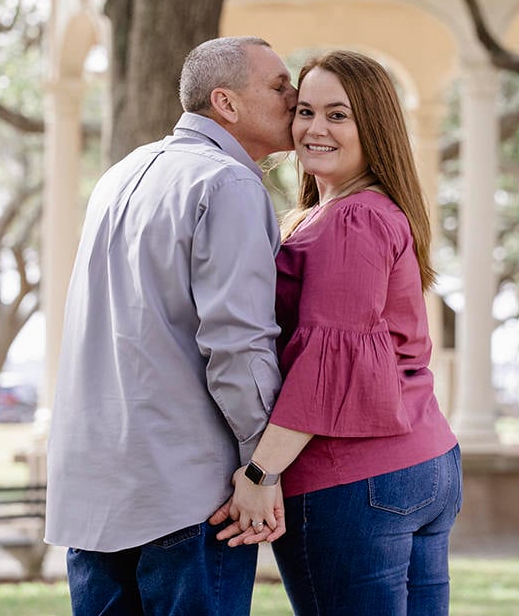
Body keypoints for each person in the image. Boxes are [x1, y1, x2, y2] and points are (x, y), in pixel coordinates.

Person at [46, 36, 297, 616]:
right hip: (185, 497)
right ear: (226, 103)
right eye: (279, 86)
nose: (294, 97)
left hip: (94, 496)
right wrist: (263, 468)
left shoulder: (119, 175)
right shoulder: (227, 183)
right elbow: (238, 343)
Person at [210, 49, 461, 615]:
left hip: (357, 481)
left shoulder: (355, 218)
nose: (313, 128)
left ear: (372, 125)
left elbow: (327, 365)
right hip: (422, 463)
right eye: (304, 111)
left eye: (338, 115)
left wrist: (259, 471)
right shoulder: (342, 213)